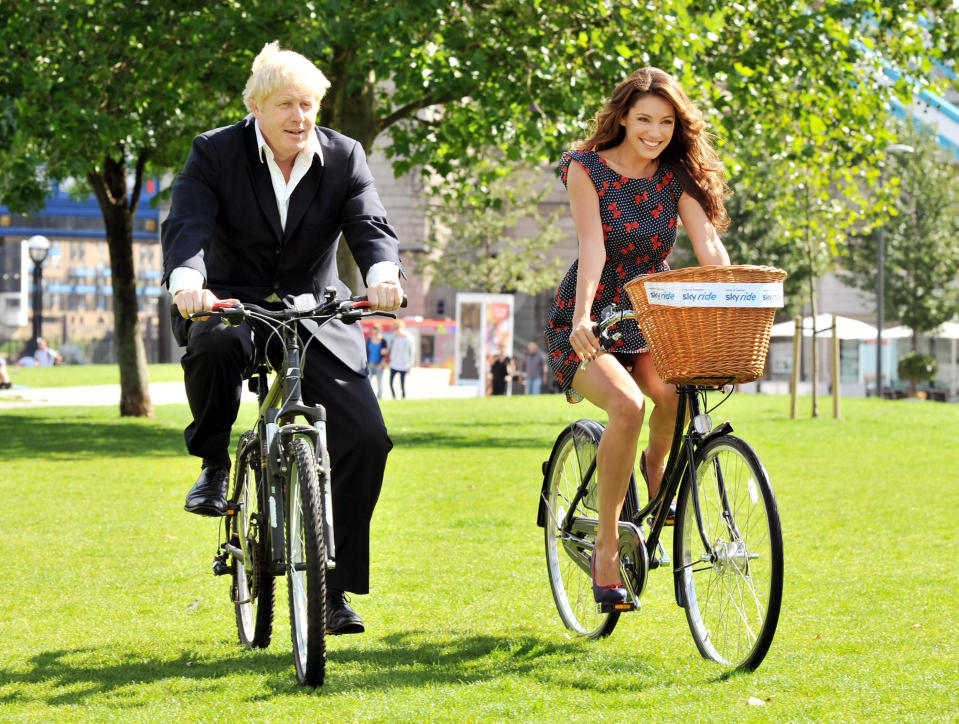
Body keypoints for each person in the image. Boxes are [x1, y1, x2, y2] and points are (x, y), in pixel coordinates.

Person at [160, 42, 404, 635]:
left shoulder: (343, 156)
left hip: (313, 311)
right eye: (286, 105)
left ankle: (334, 588)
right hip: (230, 305)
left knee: (368, 439)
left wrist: (384, 276)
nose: (300, 117)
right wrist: (189, 282)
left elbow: (369, 225)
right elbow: (188, 223)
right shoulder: (215, 152)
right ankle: (215, 463)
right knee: (214, 346)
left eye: (309, 104)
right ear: (255, 107)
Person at [543, 67, 730, 604]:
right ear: (622, 117)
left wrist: (730, 290)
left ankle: (655, 466)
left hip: (650, 312)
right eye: (644, 119)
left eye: (666, 122)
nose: (654, 131)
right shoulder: (586, 168)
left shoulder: (676, 175)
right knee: (627, 406)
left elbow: (707, 245)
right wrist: (582, 318)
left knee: (673, 394)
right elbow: (593, 249)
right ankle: (606, 546)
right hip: (590, 311)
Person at [387, 320, 413, 398]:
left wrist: (410, 367)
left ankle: (403, 397)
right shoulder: (393, 339)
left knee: (402, 384)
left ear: (402, 328)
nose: (396, 330)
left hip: (404, 365)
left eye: (397, 328)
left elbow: (412, 354)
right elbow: (389, 349)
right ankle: (394, 397)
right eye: (394, 328)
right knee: (390, 383)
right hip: (394, 364)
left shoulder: (409, 339)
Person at [366, 324, 388, 398]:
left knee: (379, 382)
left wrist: (381, 364)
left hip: (379, 365)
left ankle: (379, 396)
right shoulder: (369, 340)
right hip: (370, 364)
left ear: (380, 331)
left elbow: (384, 354)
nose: (375, 332)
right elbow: (366, 352)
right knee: (368, 382)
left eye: (377, 331)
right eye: (374, 330)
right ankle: (370, 396)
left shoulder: (383, 341)